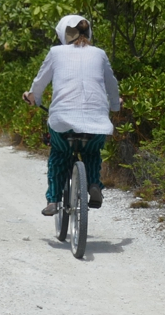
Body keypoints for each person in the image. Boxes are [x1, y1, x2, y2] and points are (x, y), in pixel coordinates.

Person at [22, 14, 121, 216]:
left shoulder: (56, 52)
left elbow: (40, 82)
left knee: (59, 154)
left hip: (63, 119)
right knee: (92, 152)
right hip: (97, 121)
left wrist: (33, 98)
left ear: (63, 33)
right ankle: (94, 184)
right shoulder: (100, 54)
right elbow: (112, 84)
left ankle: (53, 200)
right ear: (88, 32)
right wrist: (115, 105)